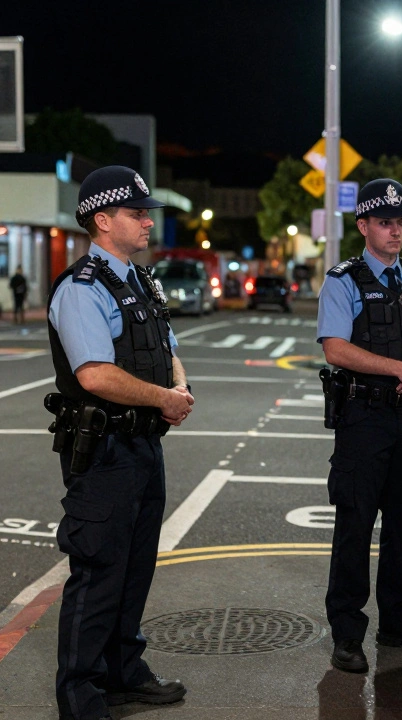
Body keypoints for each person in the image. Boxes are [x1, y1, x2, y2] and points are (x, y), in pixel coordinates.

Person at [47, 165, 193, 720]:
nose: (147, 222)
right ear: (103, 221)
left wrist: (178, 386)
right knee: (98, 572)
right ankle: (81, 695)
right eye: (137, 213)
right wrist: (162, 398)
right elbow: (94, 375)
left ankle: (123, 672)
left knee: (135, 569)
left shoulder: (142, 280)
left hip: (142, 447)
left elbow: (167, 343)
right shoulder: (81, 288)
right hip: (104, 452)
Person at [316, 178, 402, 674]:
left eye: (400, 223)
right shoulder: (343, 279)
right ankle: (347, 632)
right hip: (364, 419)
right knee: (354, 524)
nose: (395, 232)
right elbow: (335, 347)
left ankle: (401, 621)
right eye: (385, 222)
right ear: (364, 226)